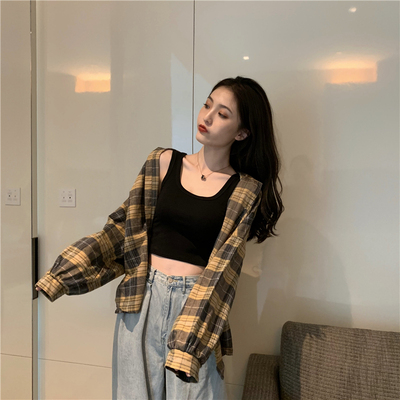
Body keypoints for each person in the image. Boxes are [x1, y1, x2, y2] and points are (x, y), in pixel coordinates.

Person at [36, 76, 284, 400]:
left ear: (242, 133)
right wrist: (64, 273)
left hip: (196, 305)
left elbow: (223, 273)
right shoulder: (162, 162)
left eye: (223, 114)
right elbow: (124, 228)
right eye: (207, 105)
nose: (207, 117)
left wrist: (191, 339)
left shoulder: (244, 191)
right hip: (142, 297)